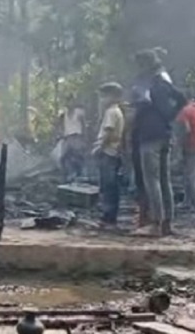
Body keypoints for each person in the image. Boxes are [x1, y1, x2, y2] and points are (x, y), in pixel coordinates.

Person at [130, 49, 187, 236]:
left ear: (144, 65)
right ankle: (167, 223)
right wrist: (169, 116)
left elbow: (141, 108)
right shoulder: (163, 81)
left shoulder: (148, 85)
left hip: (149, 136)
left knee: (152, 180)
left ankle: (156, 223)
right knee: (164, 180)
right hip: (164, 134)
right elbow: (182, 99)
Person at [92, 82, 125, 229]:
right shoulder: (117, 111)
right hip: (114, 152)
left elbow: (108, 131)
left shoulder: (111, 112)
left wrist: (99, 147)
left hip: (108, 152)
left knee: (108, 187)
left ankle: (108, 218)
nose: (101, 99)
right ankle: (110, 218)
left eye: (104, 96)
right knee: (111, 186)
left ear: (113, 96)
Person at [58, 97, 87, 182]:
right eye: (67, 101)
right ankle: (68, 175)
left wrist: (84, 138)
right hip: (67, 137)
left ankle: (80, 175)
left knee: (78, 156)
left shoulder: (79, 113)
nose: (69, 103)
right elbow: (61, 125)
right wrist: (61, 134)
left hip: (77, 137)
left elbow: (84, 125)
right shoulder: (64, 114)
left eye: (71, 101)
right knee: (64, 157)